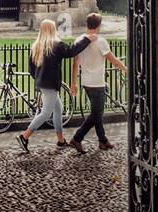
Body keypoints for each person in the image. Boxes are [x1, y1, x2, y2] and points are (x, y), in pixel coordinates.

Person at [18, 19, 91, 152]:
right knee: (45, 113)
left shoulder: (36, 46)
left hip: (42, 83)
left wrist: (39, 79)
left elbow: (31, 69)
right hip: (50, 84)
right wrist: (86, 40)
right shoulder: (56, 45)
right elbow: (71, 51)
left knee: (58, 108)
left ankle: (61, 140)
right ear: (53, 30)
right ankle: (25, 136)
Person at [70, 11, 127, 153]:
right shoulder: (100, 41)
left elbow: (75, 64)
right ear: (99, 25)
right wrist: (126, 69)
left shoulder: (78, 39)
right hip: (97, 83)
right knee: (96, 114)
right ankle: (77, 138)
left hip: (86, 82)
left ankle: (103, 140)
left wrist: (74, 83)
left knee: (97, 112)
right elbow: (113, 60)